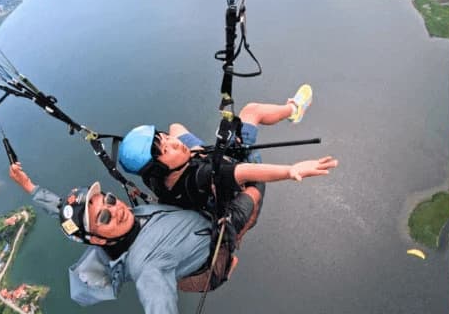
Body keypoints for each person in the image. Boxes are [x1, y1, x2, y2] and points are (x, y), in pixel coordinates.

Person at [9, 162, 262, 314]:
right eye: (104, 217)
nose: (114, 208)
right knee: (254, 187)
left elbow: (60, 209)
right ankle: (229, 257)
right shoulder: (144, 263)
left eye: (107, 199)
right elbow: (154, 295)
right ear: (97, 239)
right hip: (211, 253)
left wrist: (30, 187)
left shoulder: (124, 221)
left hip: (186, 241)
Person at [116, 85, 336, 217]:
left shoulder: (154, 178)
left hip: (199, 163)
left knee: (177, 126)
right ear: (158, 167)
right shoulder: (203, 176)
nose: (172, 142)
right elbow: (245, 172)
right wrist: (290, 170)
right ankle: (293, 109)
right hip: (233, 172)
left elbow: (174, 130)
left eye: (164, 137)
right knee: (252, 111)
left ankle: (200, 150)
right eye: (166, 149)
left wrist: (197, 150)